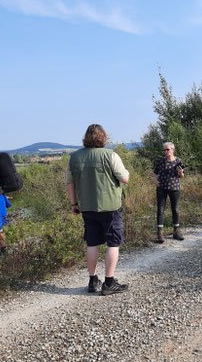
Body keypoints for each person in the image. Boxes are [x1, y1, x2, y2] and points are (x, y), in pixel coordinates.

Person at [66, 124, 130, 295]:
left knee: (92, 242)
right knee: (113, 242)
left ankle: (92, 280)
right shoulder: (110, 155)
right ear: (103, 137)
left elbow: (70, 183)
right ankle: (109, 282)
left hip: (87, 207)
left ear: (86, 137)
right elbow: (124, 178)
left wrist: (74, 204)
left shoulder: (74, 157)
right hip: (110, 206)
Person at [151, 142, 185, 243]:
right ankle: (160, 234)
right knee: (160, 210)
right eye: (164, 150)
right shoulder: (160, 160)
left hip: (175, 188)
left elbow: (182, 176)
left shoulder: (178, 161)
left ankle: (176, 231)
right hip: (162, 187)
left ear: (173, 150)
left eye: (168, 150)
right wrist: (155, 180)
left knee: (175, 209)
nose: (166, 152)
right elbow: (154, 173)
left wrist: (181, 173)